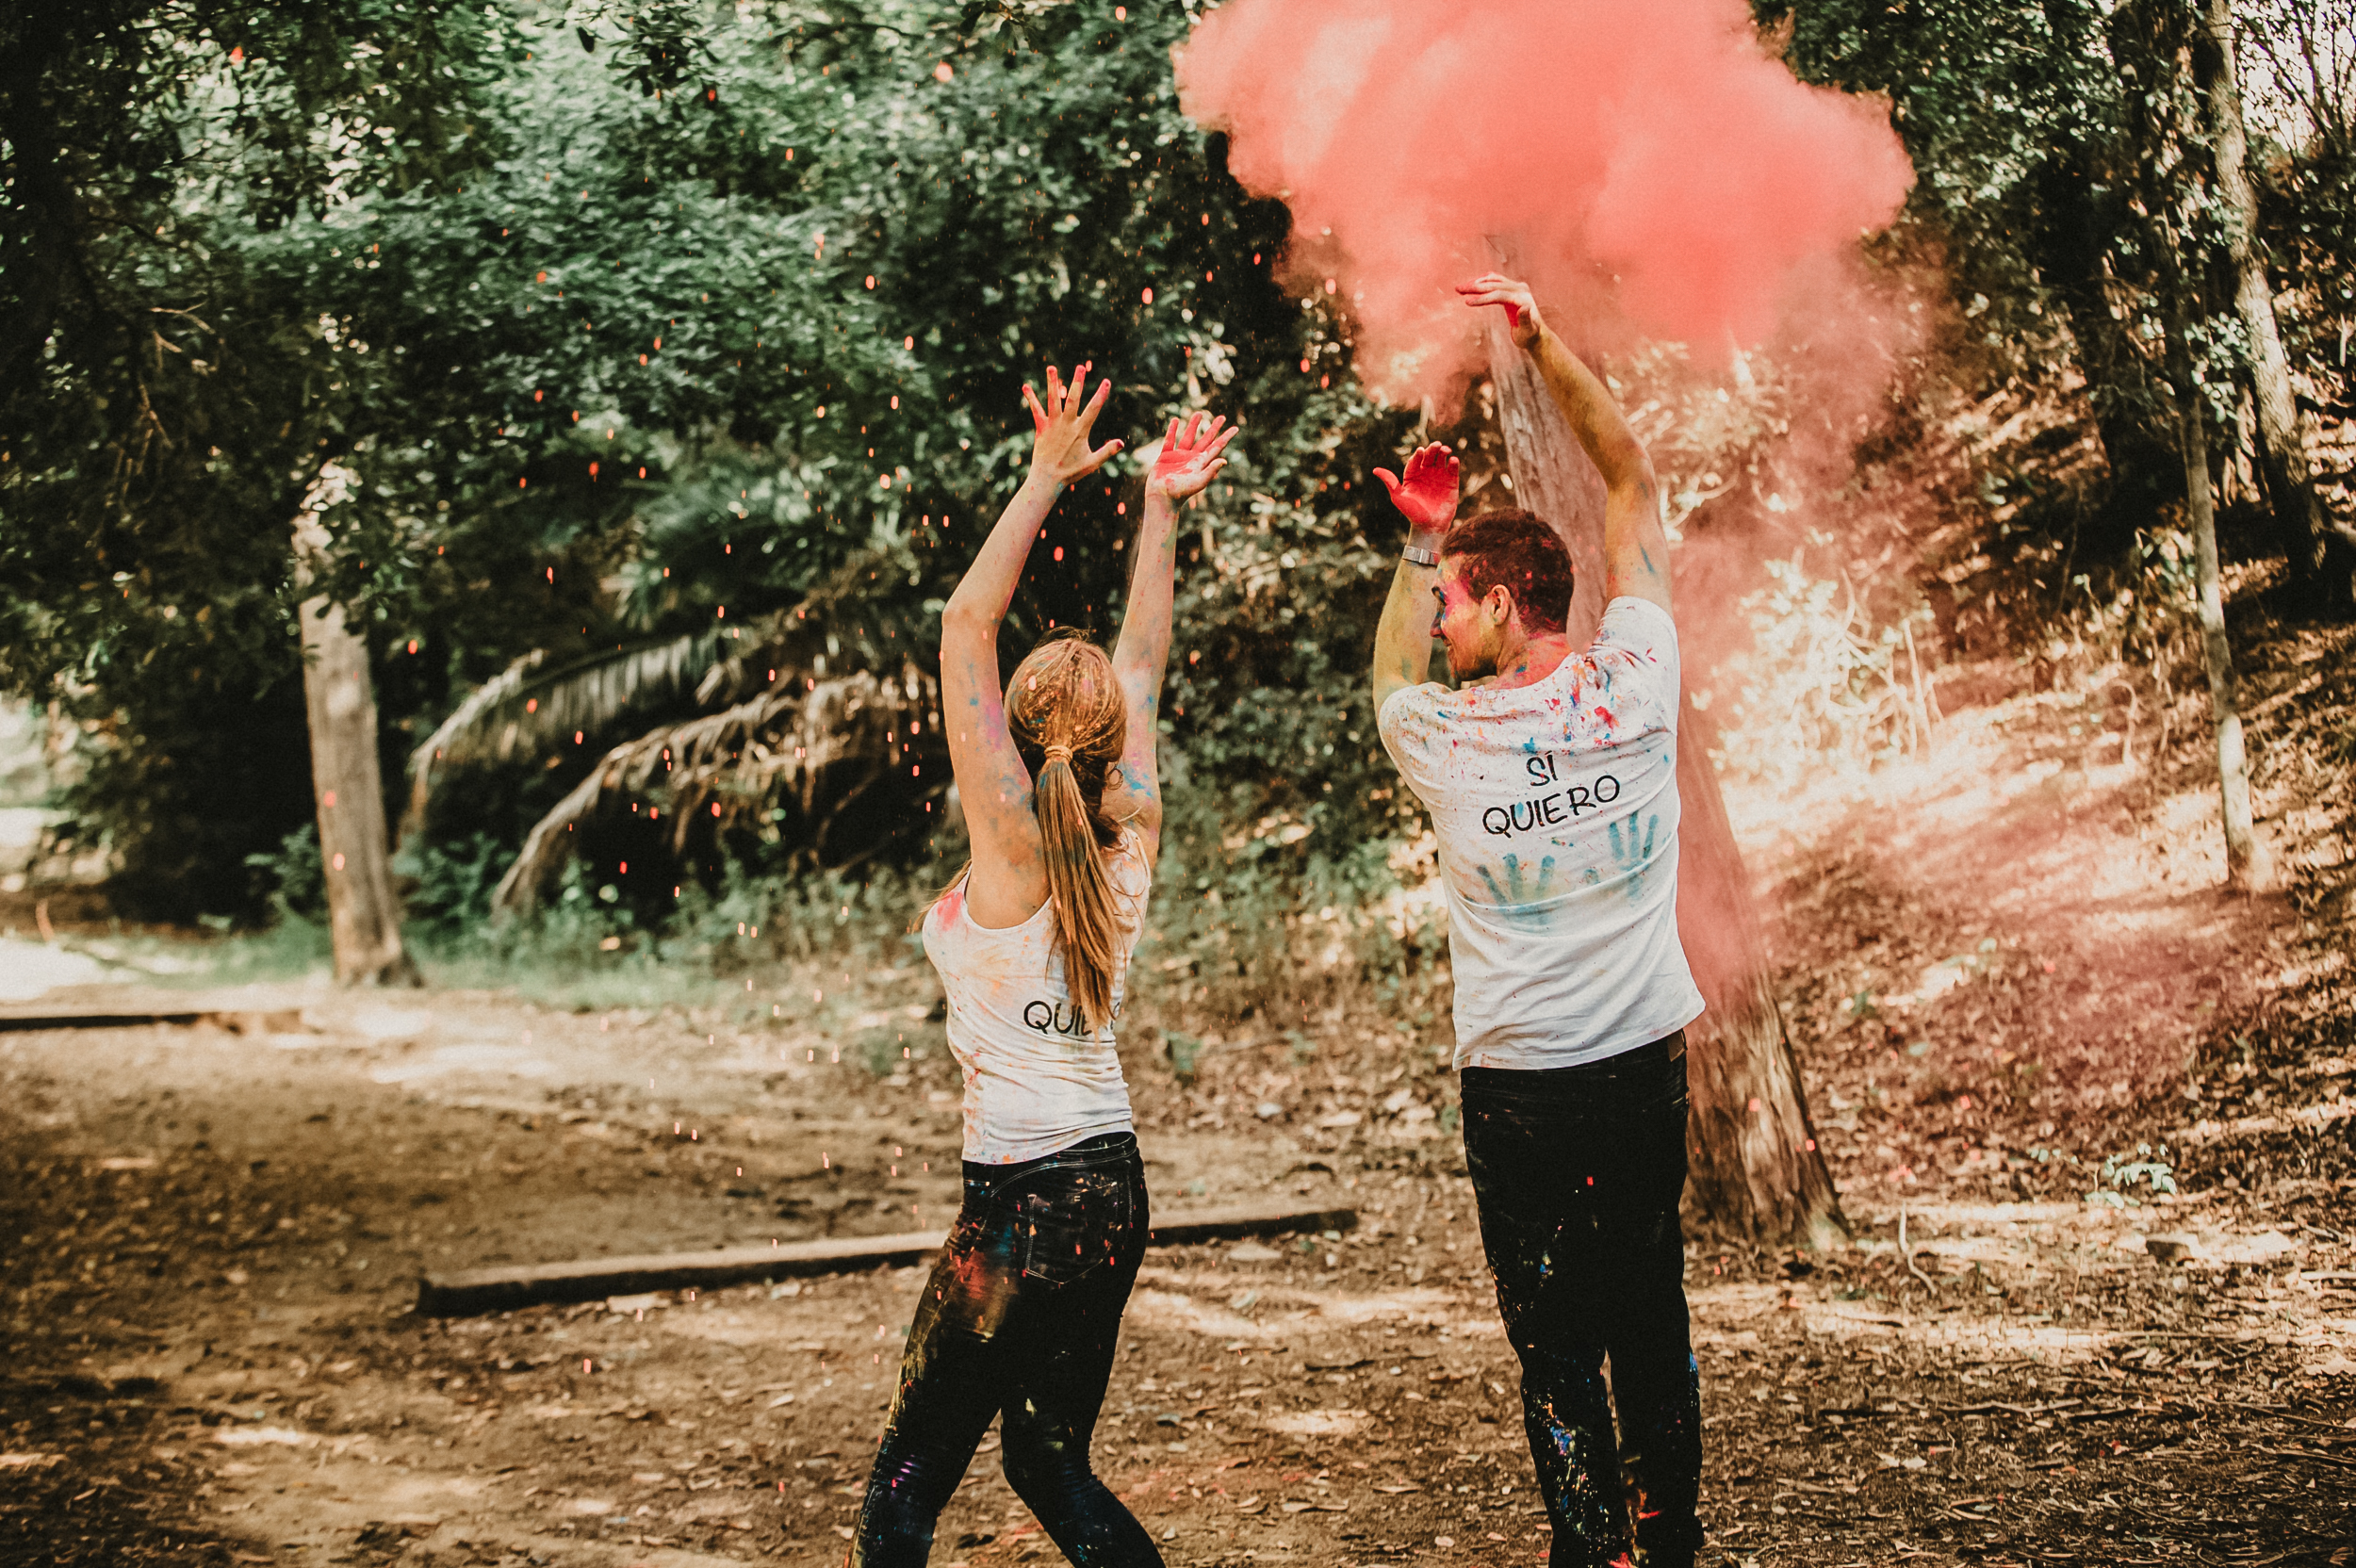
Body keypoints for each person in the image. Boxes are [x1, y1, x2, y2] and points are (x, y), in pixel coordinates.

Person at [850, 363, 1235, 1568]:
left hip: (1022, 1197)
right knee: (1045, 1459)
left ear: (1013, 732)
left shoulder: (1011, 834)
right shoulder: (1134, 811)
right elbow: (1144, 658)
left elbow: (966, 622)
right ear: (1112, 733)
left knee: (905, 1490)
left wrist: (1043, 479)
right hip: (1112, 1189)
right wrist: (1160, 508)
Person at [1368, 275, 1707, 1568]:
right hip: (1644, 1068)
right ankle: (1665, 1542)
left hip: (1520, 1091)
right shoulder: (1642, 677)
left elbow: (1391, 674)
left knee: (1557, 1342)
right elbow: (1630, 481)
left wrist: (1417, 537)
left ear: (1505, 600)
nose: (1445, 621)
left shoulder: (1443, 738)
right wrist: (1538, 336)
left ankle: (1594, 1552)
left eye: (1457, 596)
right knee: (1649, 1309)